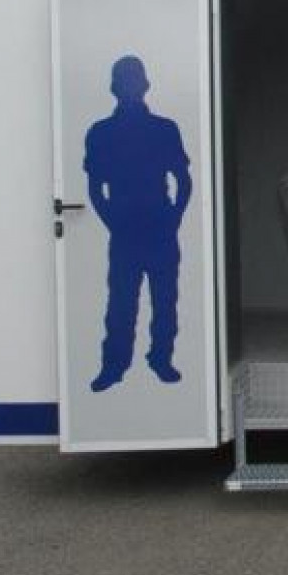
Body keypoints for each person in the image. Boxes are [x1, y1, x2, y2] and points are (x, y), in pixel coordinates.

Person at [84, 55, 191, 393]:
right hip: (127, 231)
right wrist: (113, 222)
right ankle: (114, 366)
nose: (130, 87)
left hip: (159, 227)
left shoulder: (164, 129)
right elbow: (95, 187)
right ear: (114, 88)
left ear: (145, 85)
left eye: (134, 80)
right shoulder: (101, 133)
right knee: (121, 303)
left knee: (165, 301)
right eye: (124, 81)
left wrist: (174, 217)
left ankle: (161, 359)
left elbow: (183, 180)